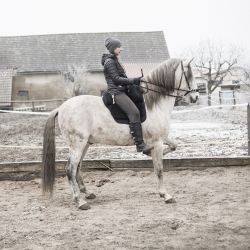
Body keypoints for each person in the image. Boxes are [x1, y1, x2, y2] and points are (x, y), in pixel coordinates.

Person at [101, 37, 154, 153]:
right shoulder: (110, 62)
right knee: (134, 112)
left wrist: (136, 82)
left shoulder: (114, 60)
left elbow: (123, 77)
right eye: (119, 47)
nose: (121, 49)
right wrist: (133, 80)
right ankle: (140, 144)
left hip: (123, 90)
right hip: (116, 92)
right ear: (113, 48)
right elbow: (116, 79)